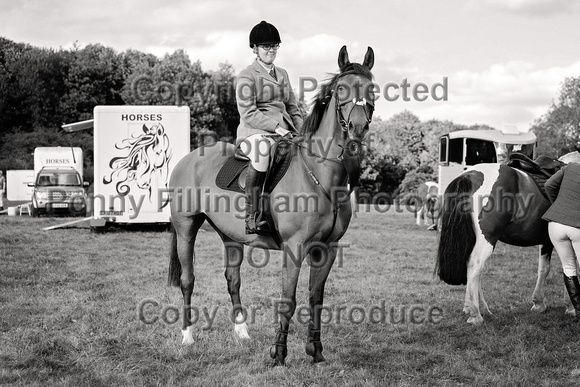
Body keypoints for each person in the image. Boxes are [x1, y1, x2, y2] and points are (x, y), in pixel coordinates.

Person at [235, 21, 303, 235]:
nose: (271, 50)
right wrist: (276, 128)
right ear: (255, 49)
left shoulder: (282, 73)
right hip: (254, 133)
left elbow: (293, 107)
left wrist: (301, 131)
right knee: (263, 153)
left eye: (274, 46)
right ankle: (252, 217)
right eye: (266, 47)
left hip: (284, 132)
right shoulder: (247, 76)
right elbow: (248, 112)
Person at [542, 162, 580, 317]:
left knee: (569, 268)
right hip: (577, 226)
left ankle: (578, 311)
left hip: (555, 225)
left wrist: (558, 206)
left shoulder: (570, 166)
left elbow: (548, 185)